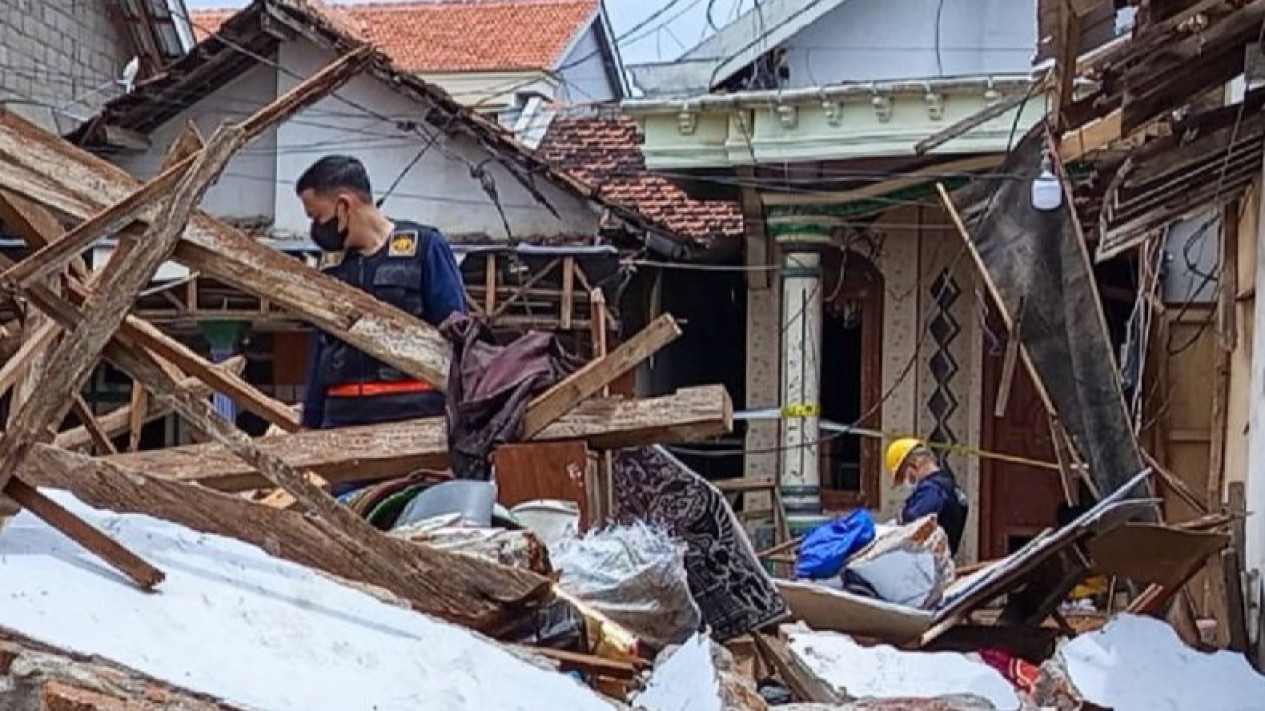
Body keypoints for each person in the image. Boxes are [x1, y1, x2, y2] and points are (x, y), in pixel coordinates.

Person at [296, 155, 467, 435]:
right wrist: (309, 423)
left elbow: (458, 336)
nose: (315, 230)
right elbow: (318, 351)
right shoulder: (331, 269)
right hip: (343, 423)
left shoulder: (423, 248)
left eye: (317, 217)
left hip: (415, 418)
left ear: (343, 205)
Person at [884, 437, 969, 555]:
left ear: (913, 464)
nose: (905, 481)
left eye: (903, 475)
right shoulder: (949, 486)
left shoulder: (933, 490)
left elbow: (911, 521)